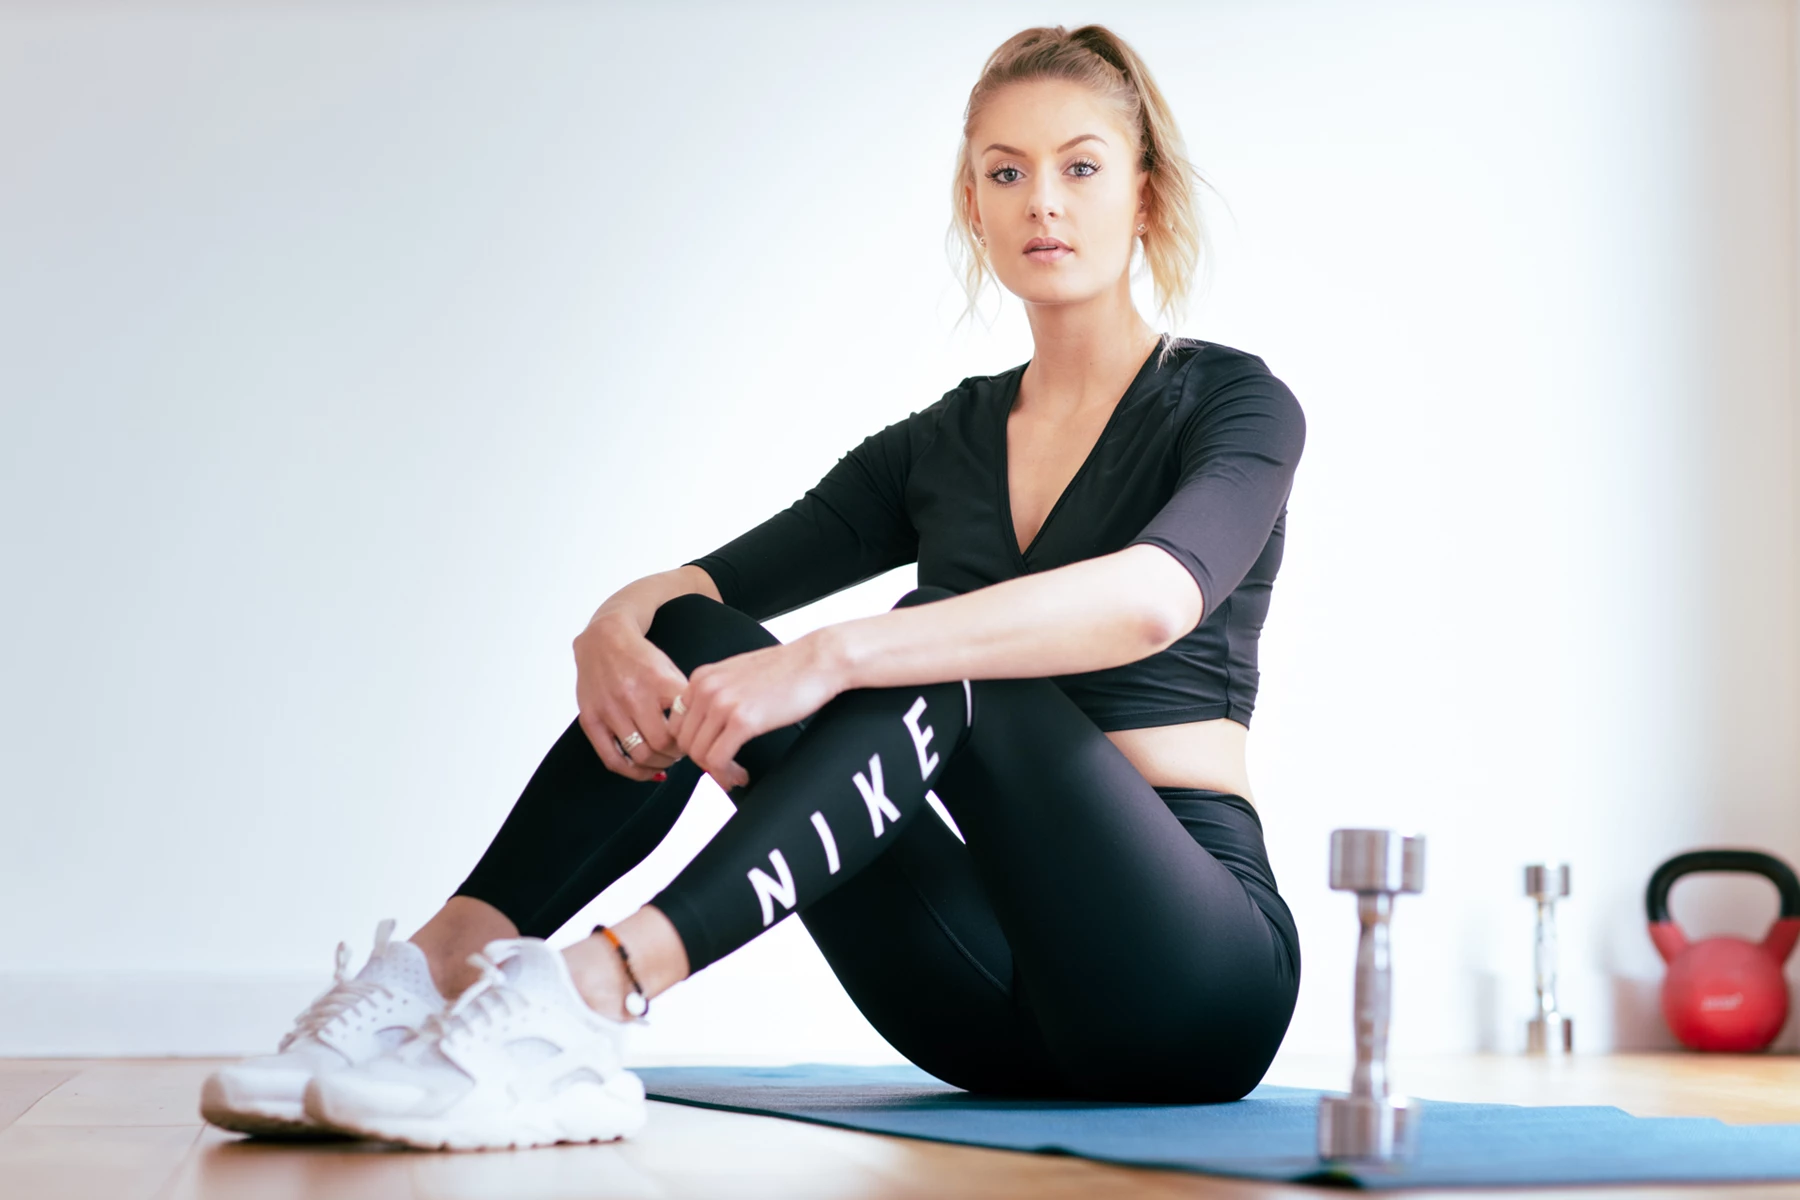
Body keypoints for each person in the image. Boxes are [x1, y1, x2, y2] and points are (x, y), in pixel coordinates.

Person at [199, 22, 1306, 1152]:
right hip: (983, 1002)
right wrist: (610, 630)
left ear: (1145, 193)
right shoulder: (944, 442)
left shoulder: (1233, 404)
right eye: (1006, 172)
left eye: (1081, 167)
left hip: (1187, 983)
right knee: (690, 636)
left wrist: (831, 657)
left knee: (941, 648)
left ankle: (589, 993)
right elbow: (695, 589)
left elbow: (1152, 600)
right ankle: (434, 974)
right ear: (972, 204)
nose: (1044, 204)